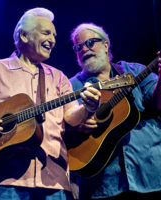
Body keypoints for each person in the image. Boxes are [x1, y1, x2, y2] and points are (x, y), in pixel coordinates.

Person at [0, 9, 101, 200]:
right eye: (46, 33)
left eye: (54, 35)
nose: (52, 39)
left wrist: (88, 107)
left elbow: (71, 117)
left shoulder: (59, 77)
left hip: (55, 181)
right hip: (4, 181)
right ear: (24, 35)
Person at [69, 22, 161, 200]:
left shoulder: (133, 71)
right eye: (78, 47)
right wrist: (79, 124)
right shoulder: (71, 86)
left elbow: (158, 104)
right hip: (103, 184)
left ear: (105, 45)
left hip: (150, 171)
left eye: (90, 43)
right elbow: (62, 129)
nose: (84, 49)